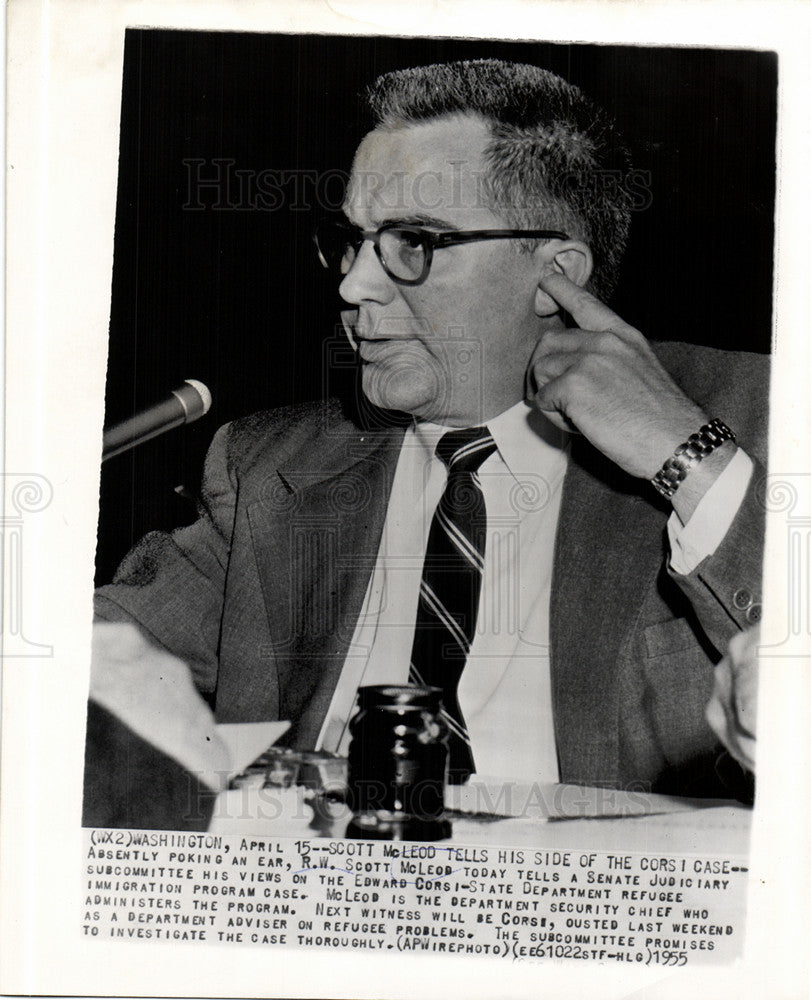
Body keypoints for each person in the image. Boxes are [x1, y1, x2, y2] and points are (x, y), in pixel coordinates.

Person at [87, 59, 766, 826]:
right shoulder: (268, 467)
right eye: (351, 240)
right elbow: (95, 656)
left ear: (554, 277)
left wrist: (689, 459)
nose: (352, 287)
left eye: (413, 241)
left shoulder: (758, 413)